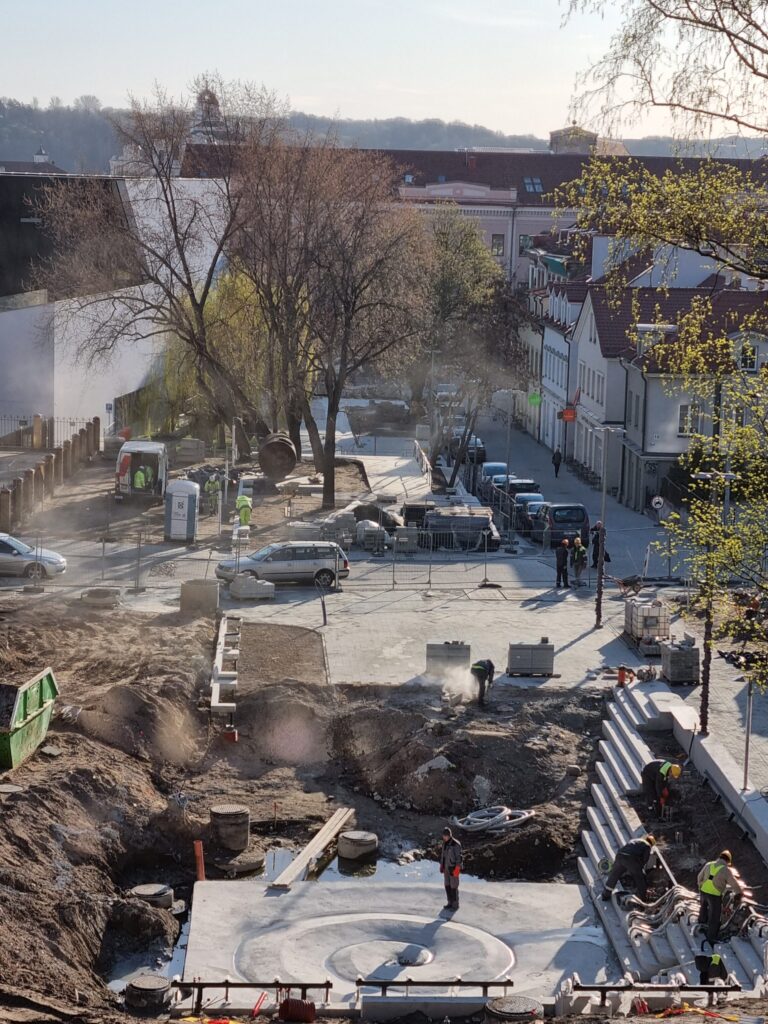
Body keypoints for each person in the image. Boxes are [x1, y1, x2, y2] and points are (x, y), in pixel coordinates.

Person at [698, 850, 741, 947]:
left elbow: (699, 877)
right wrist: (739, 893)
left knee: (703, 910)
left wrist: (700, 887)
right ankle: (711, 938)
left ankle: (700, 927)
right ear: (728, 861)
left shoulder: (709, 865)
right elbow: (734, 884)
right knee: (714, 917)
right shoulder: (726, 870)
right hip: (714, 896)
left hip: (703, 891)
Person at [602, 834, 657, 901]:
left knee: (614, 875)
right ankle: (643, 898)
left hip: (620, 856)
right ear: (651, 844)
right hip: (630, 858)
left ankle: (605, 895)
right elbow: (644, 859)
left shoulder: (635, 840)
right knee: (639, 878)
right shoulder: (647, 846)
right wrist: (639, 869)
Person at [439, 826, 462, 910]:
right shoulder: (444, 843)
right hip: (446, 868)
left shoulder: (456, 844)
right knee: (447, 886)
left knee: (454, 887)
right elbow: (443, 856)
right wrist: (441, 865)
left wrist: (457, 869)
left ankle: (455, 905)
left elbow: (459, 858)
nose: (444, 837)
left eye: (445, 836)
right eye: (443, 836)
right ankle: (449, 902)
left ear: (449, 835)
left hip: (453, 868)